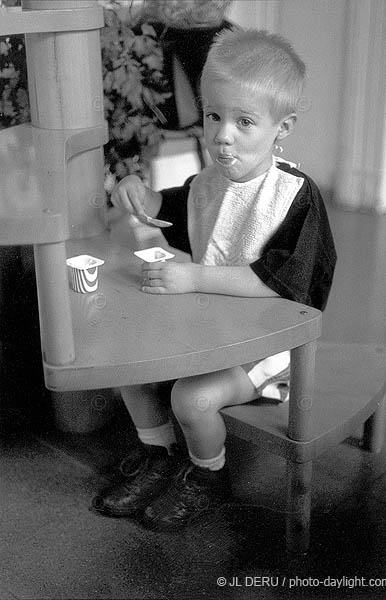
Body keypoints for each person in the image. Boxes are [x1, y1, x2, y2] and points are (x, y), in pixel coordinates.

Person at [92, 28, 337, 530]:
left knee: (192, 397)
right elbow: (174, 211)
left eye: (245, 121)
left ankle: (207, 474)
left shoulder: (294, 198)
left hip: (268, 346)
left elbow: (280, 284)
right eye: (214, 115)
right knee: (128, 369)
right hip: (208, 327)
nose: (223, 134)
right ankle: (158, 455)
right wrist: (138, 191)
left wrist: (191, 277)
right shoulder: (209, 181)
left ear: (281, 126)